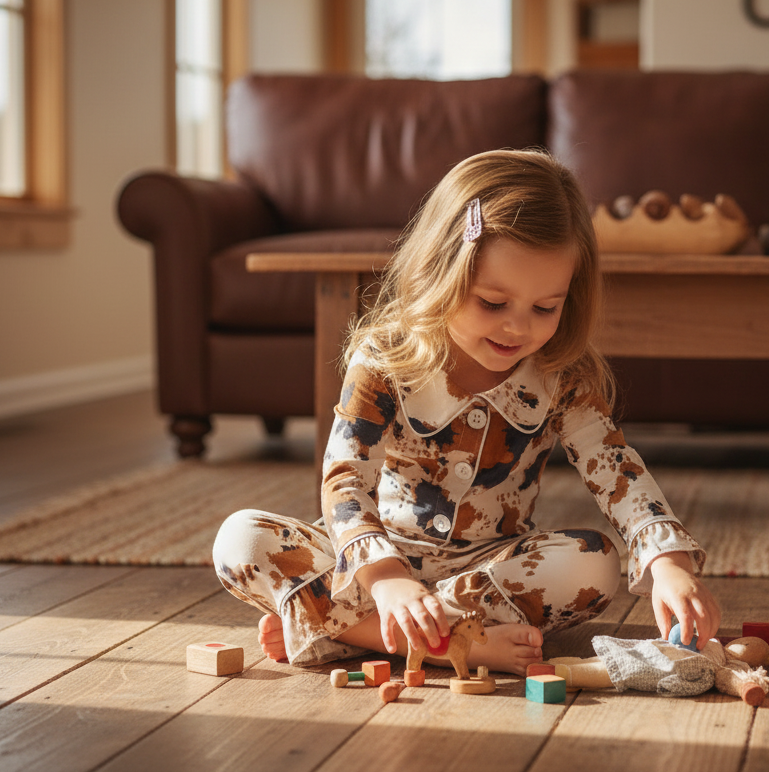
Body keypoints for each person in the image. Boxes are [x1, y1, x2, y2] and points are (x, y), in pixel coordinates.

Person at [212, 148, 719, 676]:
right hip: (377, 560)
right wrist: (388, 580)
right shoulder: (386, 359)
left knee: (595, 563)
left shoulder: (561, 371)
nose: (517, 329)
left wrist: (669, 564)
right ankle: (457, 642)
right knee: (241, 538)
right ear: (440, 272)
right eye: (493, 303)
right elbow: (345, 481)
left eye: (545, 307)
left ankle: (342, 628)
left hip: (488, 569)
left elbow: (614, 467)